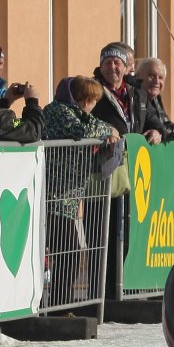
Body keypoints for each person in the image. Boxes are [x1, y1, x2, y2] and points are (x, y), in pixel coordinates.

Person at [42, 75, 121, 300]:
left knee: (67, 252)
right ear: (85, 100)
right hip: (53, 196)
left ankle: (59, 304)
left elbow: (98, 127)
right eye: (94, 101)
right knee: (69, 252)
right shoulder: (58, 112)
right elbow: (83, 132)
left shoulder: (78, 114)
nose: (94, 106)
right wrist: (108, 131)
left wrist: (108, 130)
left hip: (65, 198)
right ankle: (59, 305)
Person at [90, 42, 161, 144]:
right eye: (108, 62)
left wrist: (156, 131)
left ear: (126, 69)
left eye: (117, 62)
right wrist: (105, 130)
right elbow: (81, 121)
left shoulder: (138, 94)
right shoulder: (91, 91)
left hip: (135, 152)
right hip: (106, 152)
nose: (112, 66)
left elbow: (154, 121)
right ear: (101, 68)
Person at [135, 57, 174, 142]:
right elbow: (159, 128)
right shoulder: (135, 97)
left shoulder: (156, 98)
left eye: (161, 77)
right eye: (151, 76)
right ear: (138, 76)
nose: (157, 81)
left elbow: (162, 125)